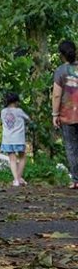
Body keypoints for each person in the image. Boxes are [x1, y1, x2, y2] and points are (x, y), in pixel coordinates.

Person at [51, 39, 78, 189]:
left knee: (71, 147)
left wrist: (55, 114)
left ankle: (76, 180)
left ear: (61, 55)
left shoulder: (60, 71)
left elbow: (56, 95)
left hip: (68, 115)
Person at [0, 91, 30, 186]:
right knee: (22, 157)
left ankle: (16, 180)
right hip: (18, 139)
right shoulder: (19, 111)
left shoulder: (3, 112)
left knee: (12, 159)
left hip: (7, 139)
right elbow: (28, 119)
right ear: (16, 101)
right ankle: (18, 178)